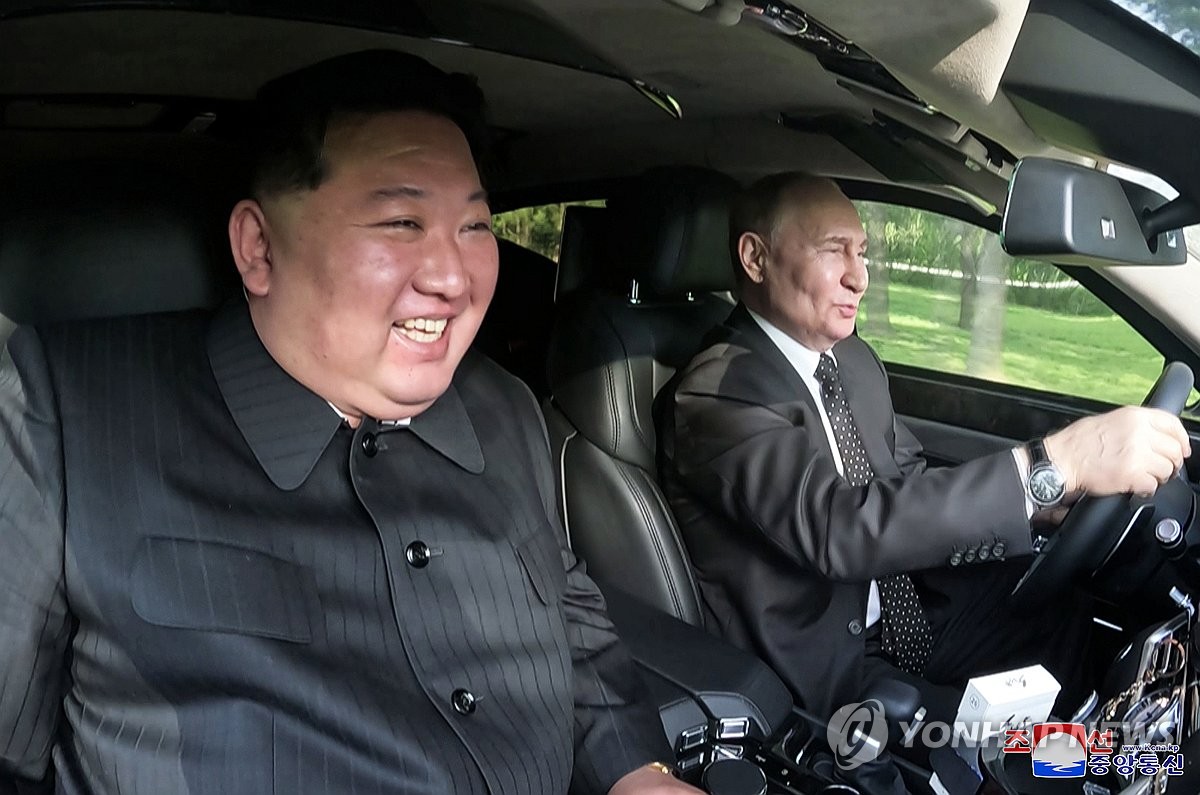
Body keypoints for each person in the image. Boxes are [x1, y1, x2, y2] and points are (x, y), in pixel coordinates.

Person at [0, 51, 698, 795]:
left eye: (473, 225)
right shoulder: (61, 414)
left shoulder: (504, 406)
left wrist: (638, 773)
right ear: (259, 248)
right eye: (402, 222)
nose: (453, 278)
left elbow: (567, 619)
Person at [656, 173, 1190, 743]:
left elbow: (905, 477)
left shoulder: (852, 360)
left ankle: (1106, 761)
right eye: (834, 250)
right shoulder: (718, 392)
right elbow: (840, 528)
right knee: (1009, 749)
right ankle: (1076, 765)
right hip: (832, 669)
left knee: (1065, 618)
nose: (859, 277)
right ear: (756, 258)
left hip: (915, 609)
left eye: (862, 252)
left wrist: (1045, 504)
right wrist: (1049, 466)